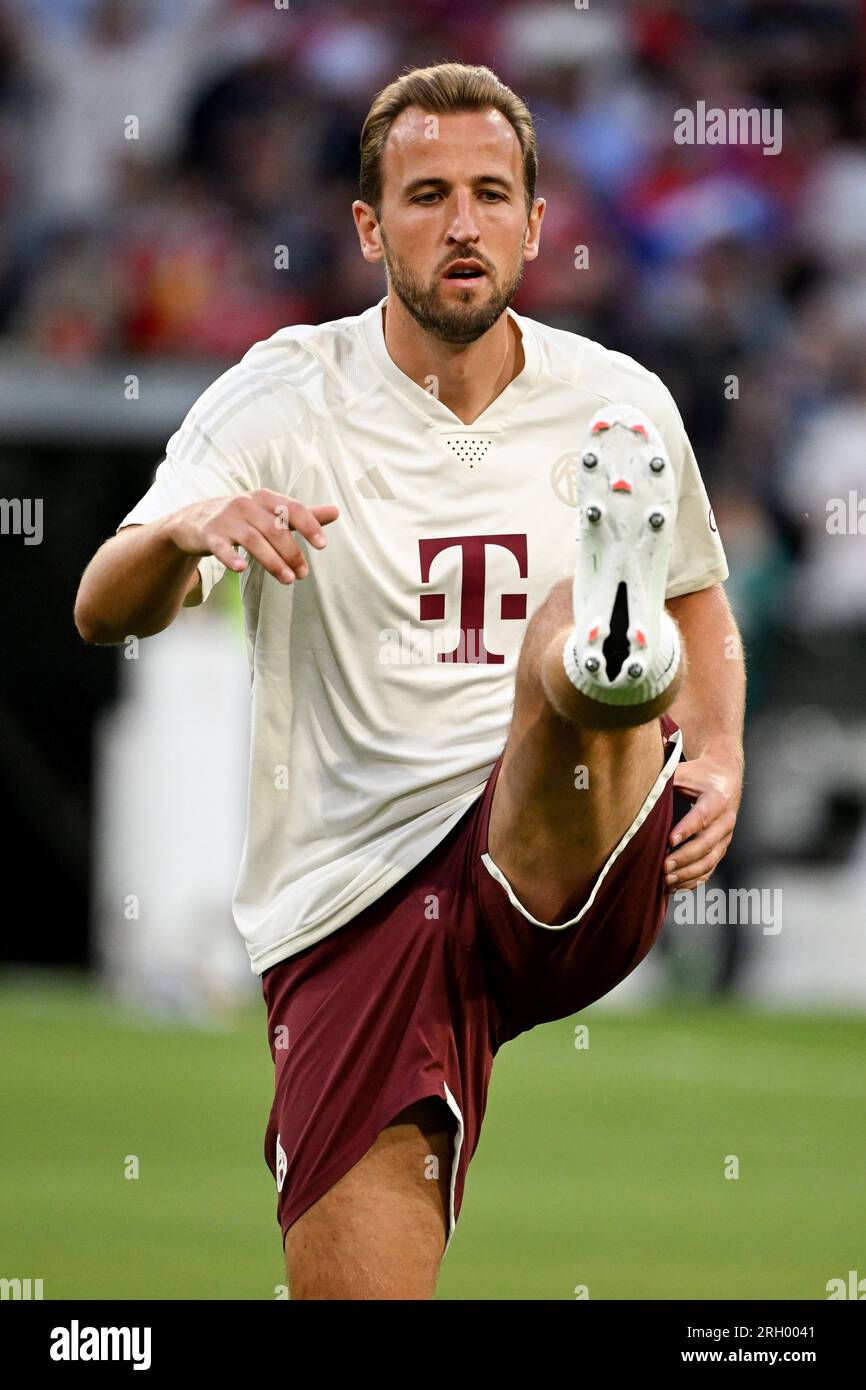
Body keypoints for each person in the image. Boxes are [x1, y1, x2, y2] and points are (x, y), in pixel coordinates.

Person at [74, 62, 745, 1300]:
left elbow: (699, 590)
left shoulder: (616, 407)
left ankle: (605, 655)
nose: (462, 222)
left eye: (492, 194)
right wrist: (182, 534)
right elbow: (100, 606)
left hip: (561, 848)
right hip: (353, 902)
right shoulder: (283, 394)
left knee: (561, 649)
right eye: (426, 194)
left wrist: (713, 751)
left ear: (537, 226)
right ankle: (602, 656)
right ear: (370, 228)